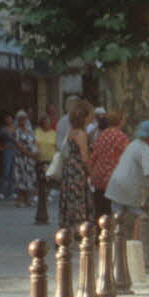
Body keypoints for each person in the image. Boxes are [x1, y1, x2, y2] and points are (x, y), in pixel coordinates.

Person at [104, 120, 149, 240]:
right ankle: (136, 242)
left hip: (116, 184)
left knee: (117, 215)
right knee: (140, 214)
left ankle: (113, 243)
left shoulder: (133, 144)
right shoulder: (146, 150)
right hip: (129, 188)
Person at [57, 99, 96, 231]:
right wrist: (91, 173)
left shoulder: (71, 132)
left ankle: (67, 230)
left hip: (69, 168)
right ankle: (79, 230)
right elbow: (85, 157)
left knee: (69, 200)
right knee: (78, 199)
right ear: (85, 117)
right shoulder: (81, 134)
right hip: (78, 170)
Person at [88, 110, 130, 219]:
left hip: (99, 178)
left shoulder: (101, 136)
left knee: (100, 213)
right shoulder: (121, 137)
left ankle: (99, 234)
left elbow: (93, 157)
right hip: (114, 180)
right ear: (120, 121)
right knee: (114, 214)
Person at [12, 110, 38, 207]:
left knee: (29, 178)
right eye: (21, 119)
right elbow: (19, 145)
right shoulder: (16, 132)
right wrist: (29, 153)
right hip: (21, 158)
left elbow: (34, 142)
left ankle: (28, 199)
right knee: (20, 178)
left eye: (24, 119)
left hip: (30, 159)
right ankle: (19, 199)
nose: (23, 121)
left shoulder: (30, 131)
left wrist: (35, 152)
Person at [0, 112, 17, 201]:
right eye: (6, 118)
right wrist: (0, 148)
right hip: (7, 151)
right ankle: (1, 191)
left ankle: (11, 191)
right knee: (6, 171)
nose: (8, 120)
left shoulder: (16, 128)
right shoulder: (3, 129)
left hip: (16, 150)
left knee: (13, 172)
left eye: (9, 118)